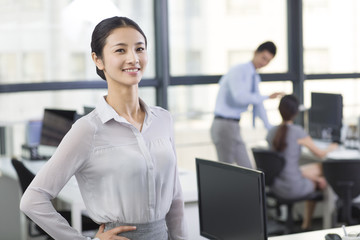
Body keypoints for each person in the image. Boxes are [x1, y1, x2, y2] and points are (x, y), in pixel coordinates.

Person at [20, 16, 188, 240]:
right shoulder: (87, 129)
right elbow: (33, 199)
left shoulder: (163, 120)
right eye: (120, 50)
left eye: (140, 49)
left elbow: (175, 197)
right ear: (98, 60)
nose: (133, 58)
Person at [266, 94, 338, 230]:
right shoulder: (297, 132)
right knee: (323, 171)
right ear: (296, 112)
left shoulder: (271, 132)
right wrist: (332, 147)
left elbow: (284, 165)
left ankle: (307, 224)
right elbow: (320, 153)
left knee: (313, 172)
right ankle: (327, 226)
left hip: (276, 185)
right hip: (292, 187)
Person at [210, 41, 284, 168]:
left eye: (268, 61)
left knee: (248, 169)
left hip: (233, 126)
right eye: (263, 58)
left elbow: (258, 105)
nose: (264, 63)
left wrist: (270, 128)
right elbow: (240, 98)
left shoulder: (254, 77)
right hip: (224, 124)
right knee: (226, 169)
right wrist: (267, 97)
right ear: (256, 53)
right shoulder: (239, 71)